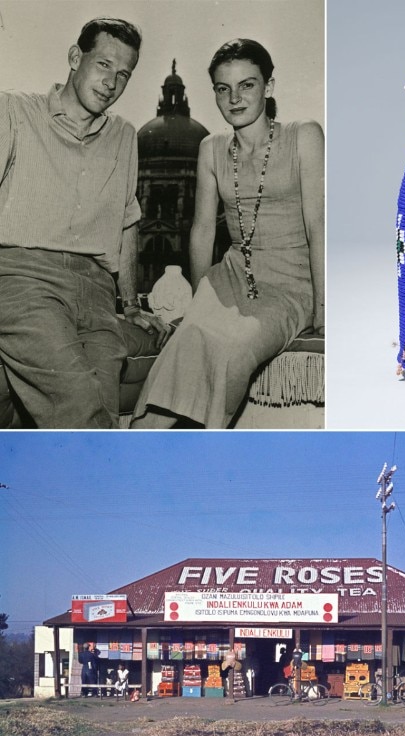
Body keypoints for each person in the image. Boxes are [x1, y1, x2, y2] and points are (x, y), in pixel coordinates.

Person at [131, 38, 324, 429]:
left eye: (247, 85)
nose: (234, 98)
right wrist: (202, 296)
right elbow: (202, 230)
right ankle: (137, 450)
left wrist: (322, 309)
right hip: (231, 276)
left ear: (268, 87)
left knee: (231, 347)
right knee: (185, 341)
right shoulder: (210, 147)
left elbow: (318, 226)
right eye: (223, 88)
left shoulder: (304, 136)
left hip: (291, 283)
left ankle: (206, 453)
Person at [0, 17, 166, 429]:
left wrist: (129, 305)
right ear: (76, 57)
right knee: (80, 408)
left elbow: (128, 222)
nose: (112, 82)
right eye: (104, 64)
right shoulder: (15, 110)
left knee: (101, 406)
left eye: (124, 74)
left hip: (96, 292)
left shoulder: (125, 135)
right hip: (24, 278)